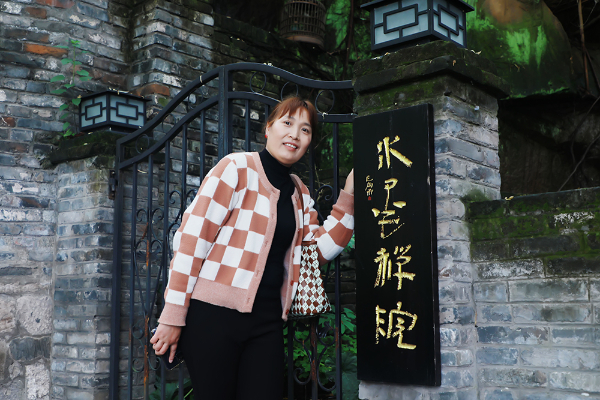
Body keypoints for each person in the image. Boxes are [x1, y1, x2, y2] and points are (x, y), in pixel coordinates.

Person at [150, 96, 355, 400]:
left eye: (305, 129)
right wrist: (172, 315)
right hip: (212, 318)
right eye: (287, 123)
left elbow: (317, 251)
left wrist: (349, 195)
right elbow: (192, 241)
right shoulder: (236, 168)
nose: (295, 134)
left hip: (267, 323)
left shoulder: (299, 193)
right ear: (268, 128)